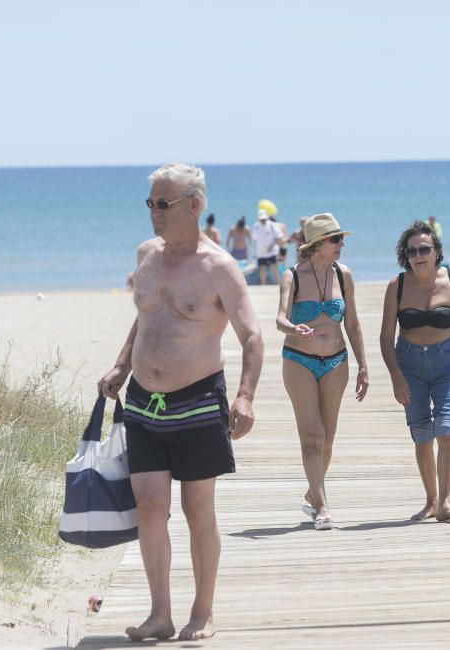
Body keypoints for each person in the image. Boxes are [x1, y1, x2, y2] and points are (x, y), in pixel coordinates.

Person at [98, 163, 263, 642]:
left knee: (197, 509)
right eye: (149, 203)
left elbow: (252, 336)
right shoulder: (145, 255)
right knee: (149, 508)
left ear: (193, 206)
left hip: (196, 400)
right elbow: (145, 320)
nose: (154, 213)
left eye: (163, 203)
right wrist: (120, 366)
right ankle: (159, 614)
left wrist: (246, 396)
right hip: (143, 403)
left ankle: (203, 611)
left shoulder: (219, 268)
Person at [379, 220, 450, 523]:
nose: (418, 255)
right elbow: (386, 337)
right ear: (405, 256)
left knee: (447, 430)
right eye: (412, 251)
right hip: (409, 363)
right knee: (422, 434)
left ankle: (445, 502)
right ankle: (430, 500)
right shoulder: (396, 287)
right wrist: (396, 377)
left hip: (448, 362)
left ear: (436, 251)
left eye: (425, 249)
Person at [275, 213, 369, 530]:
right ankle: (322, 506)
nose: (341, 244)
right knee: (311, 436)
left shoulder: (344, 275)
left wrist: (363, 366)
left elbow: (353, 325)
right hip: (299, 360)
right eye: (335, 239)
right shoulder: (292, 276)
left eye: (341, 238)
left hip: (336, 362)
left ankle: (311, 493)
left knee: (327, 439)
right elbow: (279, 320)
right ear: (317, 244)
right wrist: (293, 328)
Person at [253, 209, 281, 285]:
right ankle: (263, 285)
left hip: (272, 252)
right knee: (261, 269)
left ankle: (279, 284)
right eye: (261, 219)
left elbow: (279, 237)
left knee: (274, 269)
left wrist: (271, 246)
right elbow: (255, 238)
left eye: (264, 219)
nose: (263, 221)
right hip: (260, 252)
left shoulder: (272, 225)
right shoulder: (256, 225)